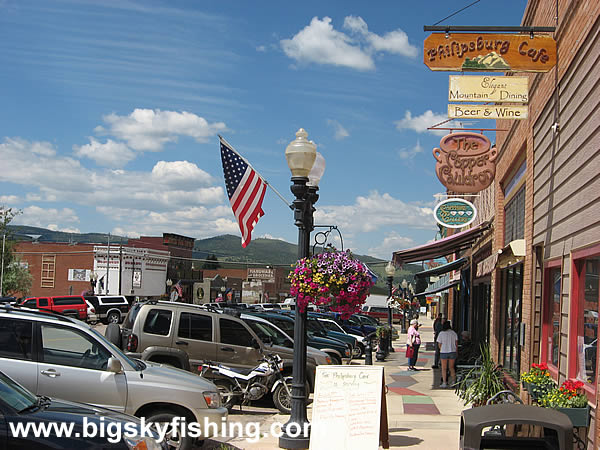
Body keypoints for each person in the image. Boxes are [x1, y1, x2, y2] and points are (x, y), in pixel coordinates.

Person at [436, 320, 458, 388]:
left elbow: (439, 344)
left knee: (444, 368)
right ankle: (454, 381)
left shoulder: (441, 333)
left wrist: (441, 349)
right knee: (451, 367)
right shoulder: (454, 333)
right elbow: (456, 344)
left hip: (444, 352)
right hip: (452, 351)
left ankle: (444, 382)